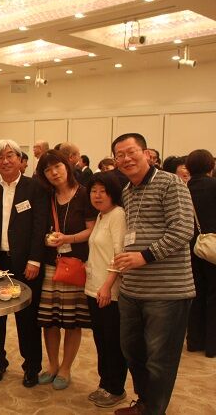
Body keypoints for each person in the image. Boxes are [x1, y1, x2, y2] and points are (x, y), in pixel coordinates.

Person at [111, 133, 195, 415]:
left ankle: (154, 410)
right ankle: (144, 403)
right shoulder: (127, 190)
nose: (126, 159)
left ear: (146, 153)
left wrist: (144, 256)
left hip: (167, 291)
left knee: (160, 360)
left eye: (131, 152)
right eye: (119, 155)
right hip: (133, 289)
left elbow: (183, 230)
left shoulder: (171, 183)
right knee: (133, 352)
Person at [0, 139, 48, 387]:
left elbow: (40, 226)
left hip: (25, 262)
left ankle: (32, 367)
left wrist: (35, 260)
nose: (5, 161)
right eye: (0, 157)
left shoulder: (35, 188)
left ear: (20, 160)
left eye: (10, 156)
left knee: (27, 319)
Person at [35, 149, 95, 391]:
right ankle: (52, 365)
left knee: (72, 320)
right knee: (49, 320)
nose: (54, 173)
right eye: (48, 170)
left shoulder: (84, 194)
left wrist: (68, 238)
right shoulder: (46, 196)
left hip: (75, 265)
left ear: (67, 166)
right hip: (51, 265)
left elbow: (92, 229)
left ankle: (66, 368)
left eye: (57, 166)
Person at [85, 172, 128, 408]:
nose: (97, 195)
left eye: (103, 191)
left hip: (108, 291)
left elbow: (119, 254)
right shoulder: (101, 215)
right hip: (93, 288)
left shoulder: (118, 215)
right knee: (101, 340)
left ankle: (116, 388)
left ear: (113, 193)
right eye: (94, 191)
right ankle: (105, 383)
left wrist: (107, 285)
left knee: (113, 342)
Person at [185, 149, 216, 358]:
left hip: (189, 246)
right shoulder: (214, 186)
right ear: (211, 166)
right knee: (214, 294)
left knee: (194, 293)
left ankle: (194, 340)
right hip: (213, 246)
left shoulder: (183, 188)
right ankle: (212, 345)